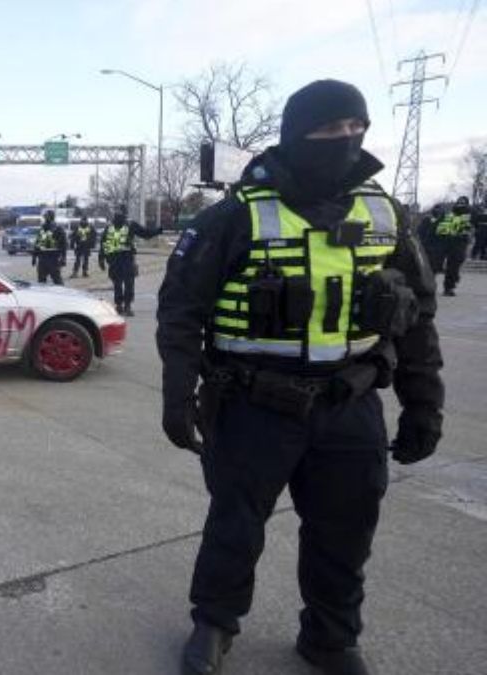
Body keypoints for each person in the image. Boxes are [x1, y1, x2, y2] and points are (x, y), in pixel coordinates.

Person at [157, 80, 444, 675]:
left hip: (351, 403)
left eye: (354, 127)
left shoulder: (385, 213)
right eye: (328, 128)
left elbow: (417, 319)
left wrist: (425, 404)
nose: (344, 139)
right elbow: (181, 311)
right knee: (234, 526)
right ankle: (214, 624)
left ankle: (331, 637)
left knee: (346, 531)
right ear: (294, 135)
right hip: (252, 406)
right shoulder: (234, 216)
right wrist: (177, 395)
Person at [98, 206, 159, 316]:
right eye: (117, 213)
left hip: (124, 258)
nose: (118, 215)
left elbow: (145, 233)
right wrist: (101, 259)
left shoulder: (126, 225)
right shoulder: (114, 226)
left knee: (126, 283)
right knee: (120, 283)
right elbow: (103, 243)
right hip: (117, 259)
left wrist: (157, 231)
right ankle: (122, 305)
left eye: (119, 213)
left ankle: (125, 305)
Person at [429, 196, 474, 296]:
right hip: (443, 240)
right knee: (435, 264)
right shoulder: (447, 214)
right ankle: (429, 285)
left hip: (459, 242)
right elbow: (435, 227)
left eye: (463, 203)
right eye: (459, 202)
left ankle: (448, 288)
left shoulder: (471, 215)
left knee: (453, 267)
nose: (460, 205)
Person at [31, 210, 67, 285]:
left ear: (51, 217)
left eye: (47, 216)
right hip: (42, 258)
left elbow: (64, 245)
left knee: (57, 280)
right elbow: (37, 243)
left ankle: (61, 294)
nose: (45, 218)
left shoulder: (58, 229)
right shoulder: (42, 228)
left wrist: (63, 258)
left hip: (53, 258)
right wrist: (34, 257)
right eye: (45, 216)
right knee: (41, 281)